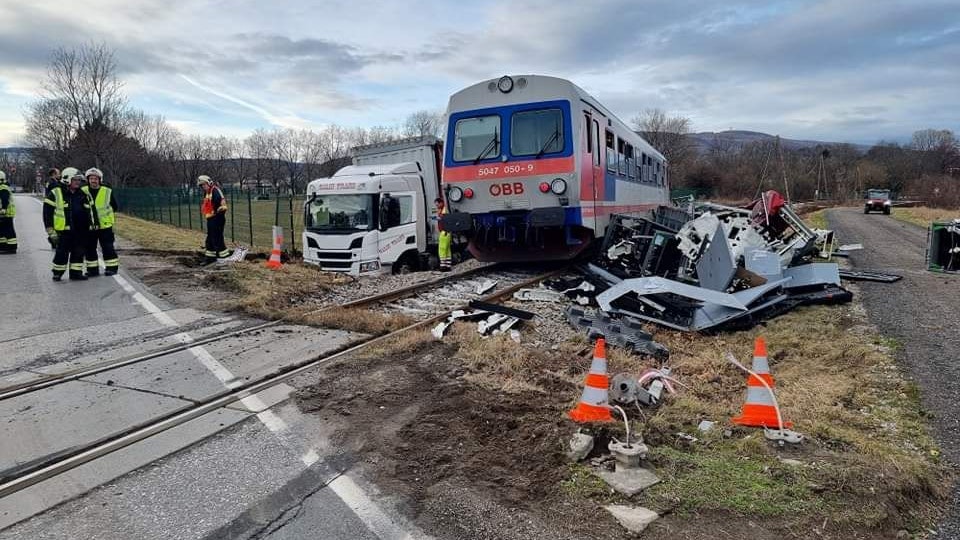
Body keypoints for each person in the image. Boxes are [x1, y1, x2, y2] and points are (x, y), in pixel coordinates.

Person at [44, 172, 94, 281]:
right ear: (67, 180)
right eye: (75, 180)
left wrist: (90, 227)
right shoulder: (56, 193)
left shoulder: (83, 194)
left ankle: (76, 273)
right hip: (63, 230)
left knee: (79, 252)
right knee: (62, 253)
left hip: (80, 230)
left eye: (79, 180)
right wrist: (50, 230)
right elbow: (47, 214)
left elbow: (89, 211)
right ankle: (57, 273)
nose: (78, 182)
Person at [81, 167, 119, 276]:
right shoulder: (83, 191)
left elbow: (114, 206)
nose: (93, 181)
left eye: (96, 178)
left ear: (100, 179)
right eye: (91, 178)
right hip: (89, 225)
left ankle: (111, 268)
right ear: (88, 180)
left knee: (108, 247)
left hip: (105, 225)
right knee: (89, 248)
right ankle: (92, 270)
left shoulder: (107, 191)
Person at [197, 175, 230, 264]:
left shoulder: (215, 190)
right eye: (201, 186)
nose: (203, 187)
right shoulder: (207, 193)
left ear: (209, 183)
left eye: (204, 185)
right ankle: (210, 258)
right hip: (211, 219)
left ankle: (224, 258)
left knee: (217, 238)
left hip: (217, 218)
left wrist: (219, 211)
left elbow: (222, 204)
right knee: (210, 239)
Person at [0, 171, 16, 254]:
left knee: (8, 230)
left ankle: (11, 247)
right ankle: (3, 246)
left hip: (6, 213)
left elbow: (4, 199)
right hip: (4, 213)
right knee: (2, 230)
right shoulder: (3, 187)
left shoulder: (3, 188)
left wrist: (3, 209)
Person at [435, 197, 451, 271]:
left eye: (437, 204)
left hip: (444, 232)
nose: (437, 206)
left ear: (441, 203)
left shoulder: (444, 210)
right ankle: (448, 266)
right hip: (447, 232)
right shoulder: (444, 209)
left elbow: (444, 218)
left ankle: (443, 266)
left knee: (442, 248)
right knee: (447, 249)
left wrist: (438, 217)